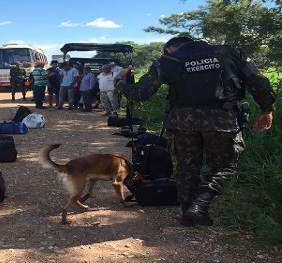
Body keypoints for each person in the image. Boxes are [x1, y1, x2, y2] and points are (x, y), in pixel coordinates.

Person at [115, 36, 276, 227]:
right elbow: (258, 81)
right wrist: (267, 109)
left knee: (186, 167)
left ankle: (187, 214)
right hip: (221, 120)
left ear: (170, 49)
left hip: (182, 122)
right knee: (223, 167)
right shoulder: (231, 53)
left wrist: (119, 82)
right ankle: (199, 206)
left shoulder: (167, 61)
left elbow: (140, 93)